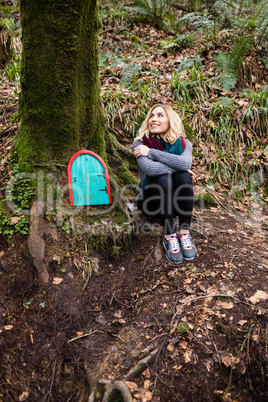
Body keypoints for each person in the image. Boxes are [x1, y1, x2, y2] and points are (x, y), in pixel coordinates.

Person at [133, 104, 197, 264]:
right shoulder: (140, 144)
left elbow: (185, 164)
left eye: (160, 115)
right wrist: (178, 166)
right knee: (166, 176)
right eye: (152, 116)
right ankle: (169, 235)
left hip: (174, 203)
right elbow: (151, 169)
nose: (153, 119)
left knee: (184, 176)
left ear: (170, 120)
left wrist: (152, 153)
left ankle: (184, 232)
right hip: (150, 202)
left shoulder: (184, 143)